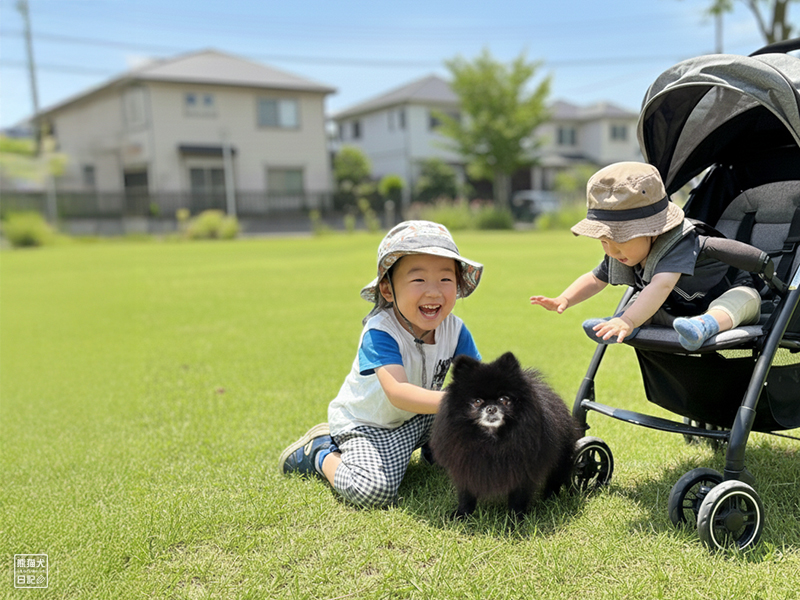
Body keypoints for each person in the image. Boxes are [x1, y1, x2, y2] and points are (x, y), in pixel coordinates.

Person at [278, 220, 483, 507]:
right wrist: (459, 400)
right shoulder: (380, 332)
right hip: (370, 425)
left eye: (446, 279)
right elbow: (398, 393)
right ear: (387, 290)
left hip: (423, 418)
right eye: (418, 280)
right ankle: (319, 452)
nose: (434, 292)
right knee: (374, 491)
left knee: (481, 434)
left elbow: (478, 382)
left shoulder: (455, 330)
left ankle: (434, 451)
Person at [530, 161, 761, 351]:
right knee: (639, 301)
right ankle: (617, 324)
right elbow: (594, 279)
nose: (611, 251)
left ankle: (704, 325)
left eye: (620, 239)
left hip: (725, 295)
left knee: (741, 299)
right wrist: (565, 299)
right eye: (603, 242)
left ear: (652, 231)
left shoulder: (679, 242)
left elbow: (661, 286)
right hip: (677, 310)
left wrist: (628, 320)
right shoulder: (620, 252)